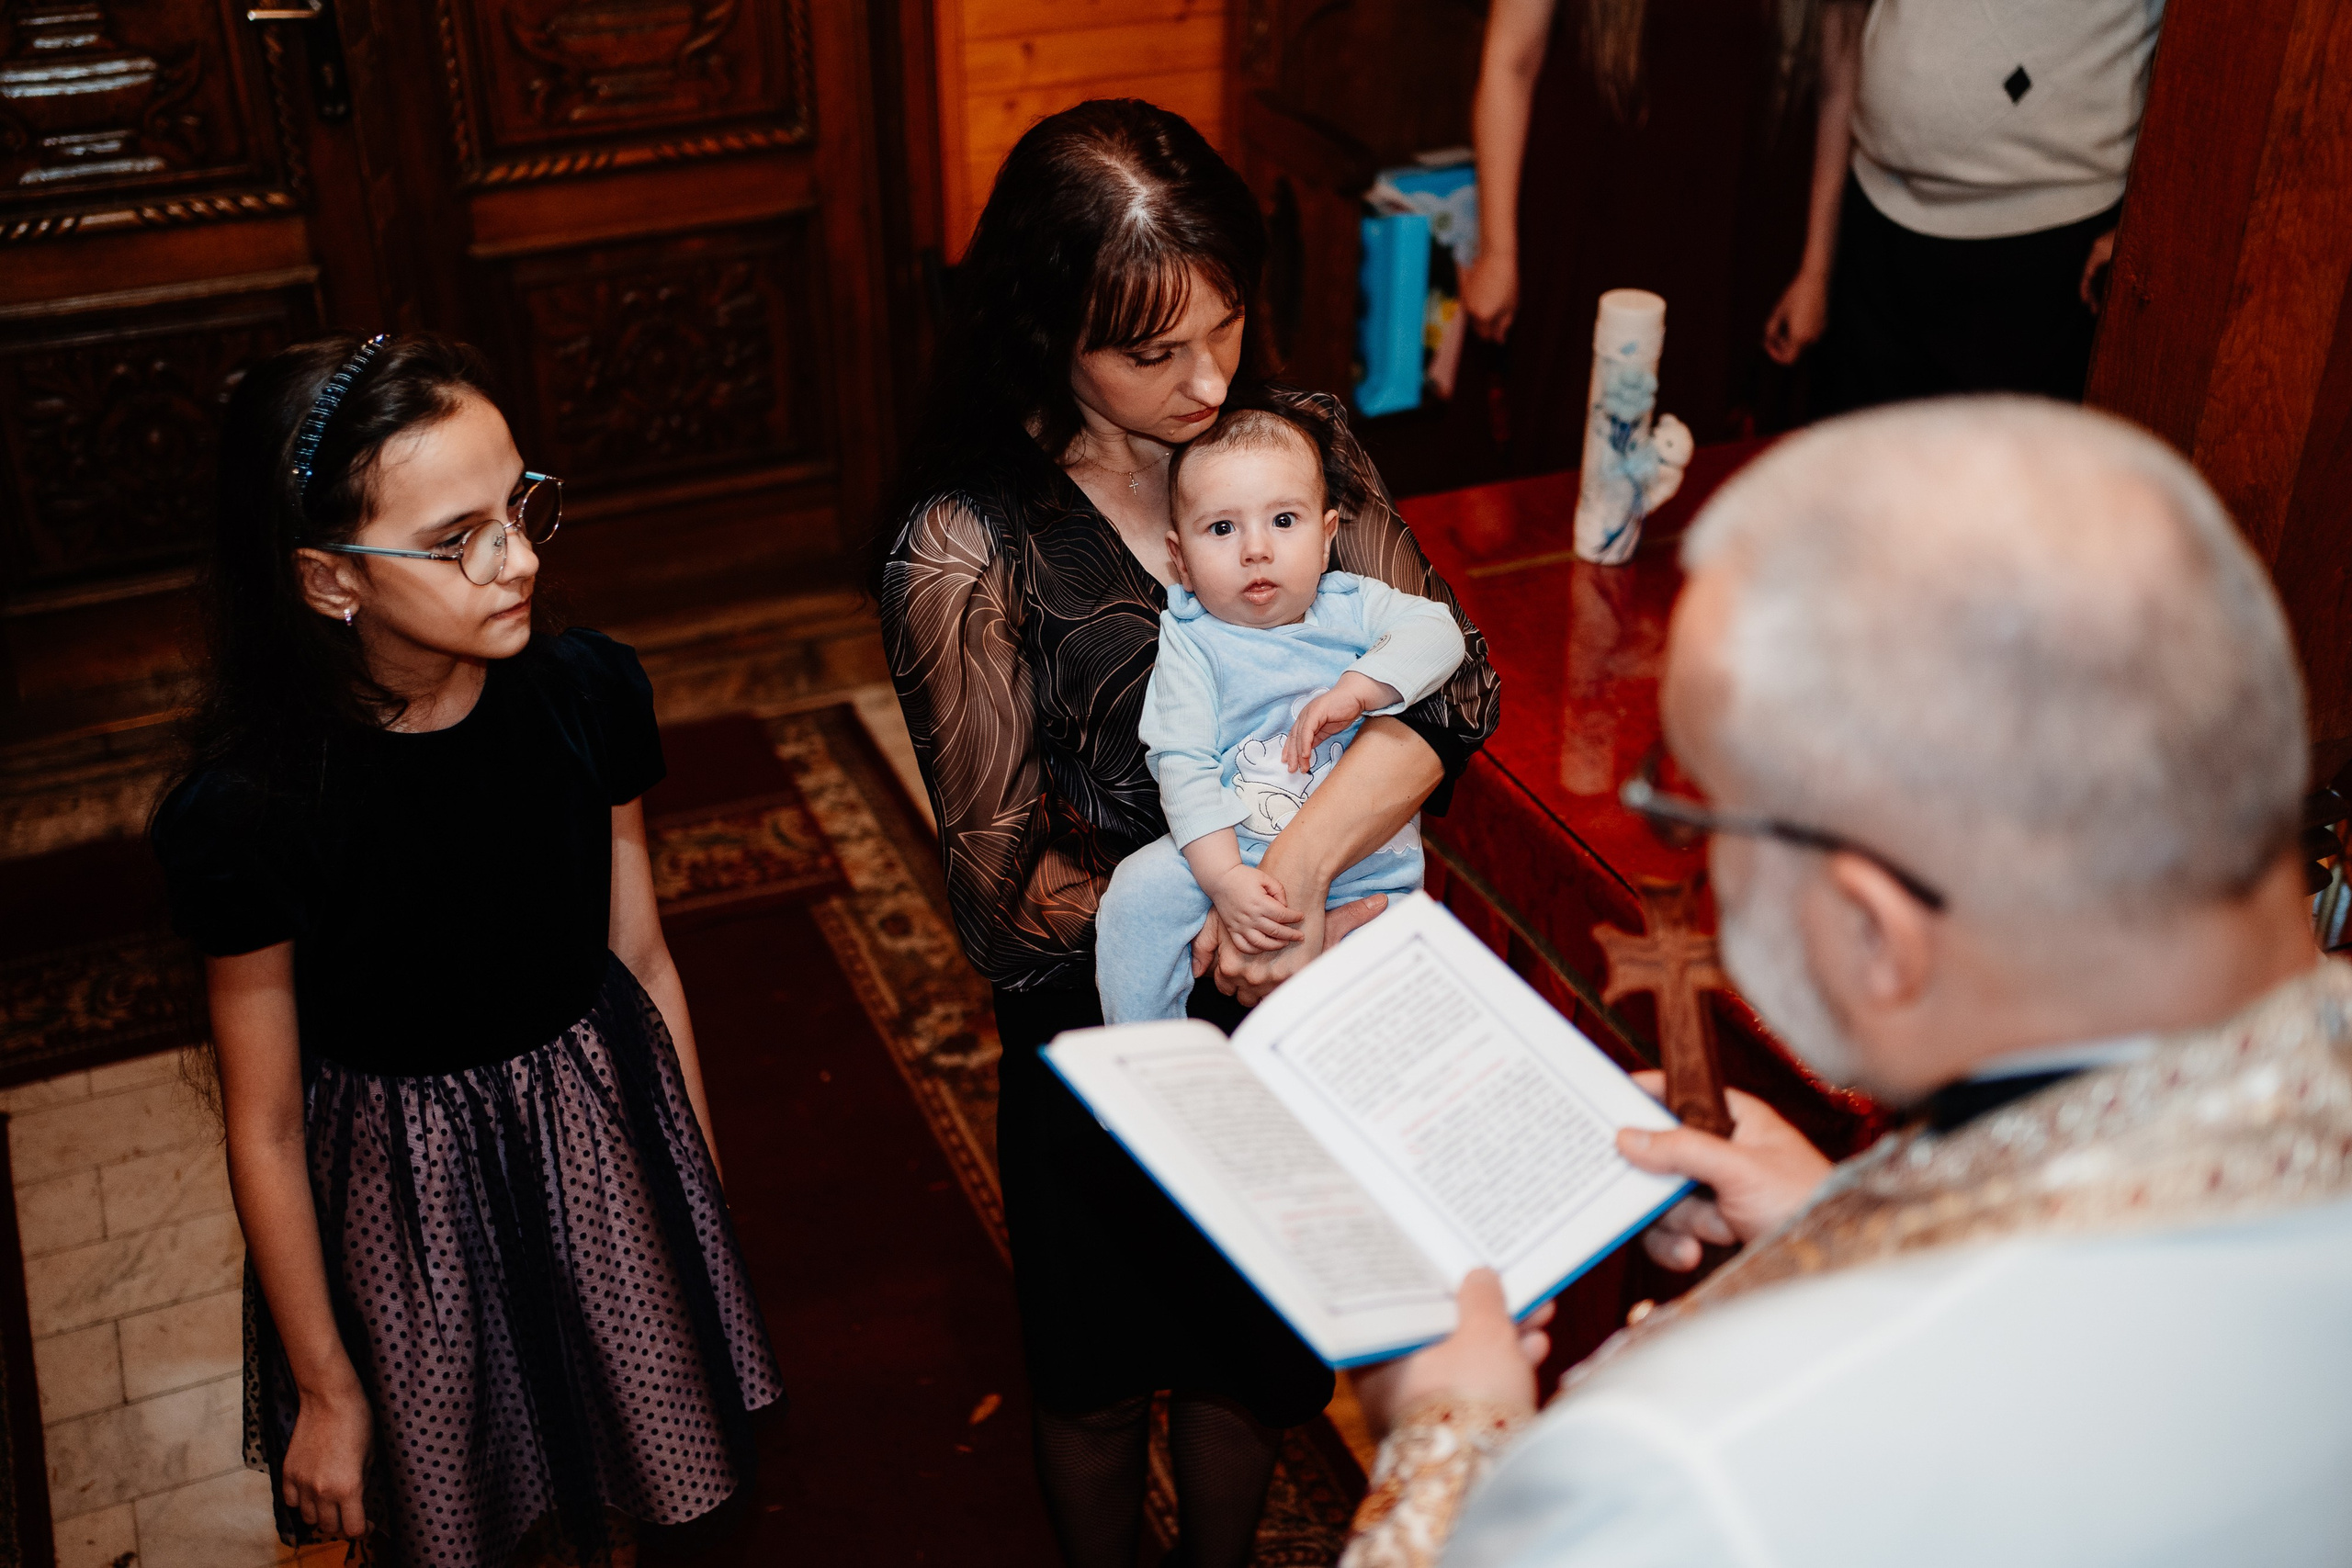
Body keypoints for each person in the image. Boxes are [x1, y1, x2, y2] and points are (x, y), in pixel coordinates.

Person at [1338, 397, 2351, 1566]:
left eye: (1698, 804)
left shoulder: (1686, 1465)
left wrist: (1443, 1438)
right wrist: (1845, 1219)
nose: (1693, 855)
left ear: (1876, 934)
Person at [876, 100, 1501, 1566]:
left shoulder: (1298, 446)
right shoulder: (966, 543)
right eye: (1154, 353)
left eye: (1226, 327)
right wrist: (1223, 915)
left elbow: (1452, 683)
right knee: (1096, 1380)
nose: (1209, 381)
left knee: (1255, 1355)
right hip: (1109, 1017)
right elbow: (1001, 895)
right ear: (1046, 332)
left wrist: (1285, 879)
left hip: (1306, 989)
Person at [150, 334, 783, 1567]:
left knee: (643, 1461)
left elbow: (644, 961)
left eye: (519, 508)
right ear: (329, 580)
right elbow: (265, 1125)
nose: (520, 558)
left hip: (598, 1153)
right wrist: (327, 1387)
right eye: (458, 540)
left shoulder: (586, 696)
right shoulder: (256, 810)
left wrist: (694, 1191)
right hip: (409, 1207)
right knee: (472, 1501)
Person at [1095, 403, 1467, 1024]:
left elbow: (1440, 632)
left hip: (1366, 861)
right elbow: (1182, 763)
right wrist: (1224, 881)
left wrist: (1359, 689)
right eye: (1222, 529)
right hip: (1229, 849)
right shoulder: (1191, 640)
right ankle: (1148, 1055)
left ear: (1326, 538)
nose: (1257, 550)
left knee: (1402, 981)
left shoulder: (1352, 605)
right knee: (1135, 895)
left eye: (1284, 520)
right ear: (1180, 558)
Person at [1764, 0, 2165, 409]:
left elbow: (2206, 65)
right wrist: (1816, 268)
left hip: (2045, 258)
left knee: (1999, 452)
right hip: (1872, 227)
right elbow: (1844, 22)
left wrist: (2149, 221)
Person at [1464, 0, 1816, 460]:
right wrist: (1498, 251)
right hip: (1579, 233)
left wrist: (1817, 268)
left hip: (1728, 243)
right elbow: (1510, 61)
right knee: (1553, 455)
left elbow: (1834, 81)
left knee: (1702, 462)